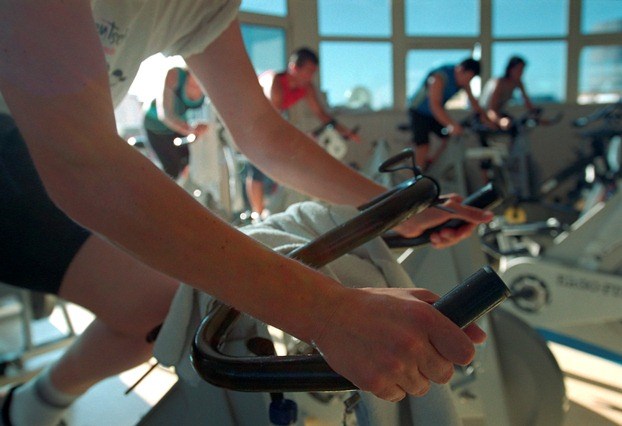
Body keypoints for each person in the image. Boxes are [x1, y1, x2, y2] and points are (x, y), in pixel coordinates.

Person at [0, 2, 493, 425]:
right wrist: (328, 312)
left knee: (160, 308)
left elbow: (262, 132)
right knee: (163, 304)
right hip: (19, 140)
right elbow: (83, 163)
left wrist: (393, 209)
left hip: (41, 144)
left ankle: (27, 407)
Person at [246, 47, 360, 219]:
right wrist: (300, 138)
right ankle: (258, 214)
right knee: (257, 167)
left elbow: (322, 114)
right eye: (308, 71)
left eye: (313, 72)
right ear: (294, 67)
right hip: (251, 119)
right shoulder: (275, 83)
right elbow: (272, 120)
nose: (310, 77)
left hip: (271, 119)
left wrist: (346, 132)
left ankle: (273, 209)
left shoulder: (306, 87)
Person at [407, 58, 491, 169]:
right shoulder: (439, 77)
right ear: (461, 69)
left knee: (450, 137)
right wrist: (451, 124)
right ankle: (417, 174)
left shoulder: (464, 82)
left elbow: (474, 103)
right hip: (418, 112)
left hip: (433, 114)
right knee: (423, 145)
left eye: (471, 79)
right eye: (468, 77)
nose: (467, 82)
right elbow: (434, 105)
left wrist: (486, 119)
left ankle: (431, 166)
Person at [143, 66, 209, 179]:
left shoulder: (210, 83)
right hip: (156, 127)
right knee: (171, 169)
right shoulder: (175, 75)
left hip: (181, 128)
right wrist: (188, 129)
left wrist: (202, 127)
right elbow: (165, 114)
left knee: (187, 163)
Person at [480, 56, 537, 132]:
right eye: (518, 69)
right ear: (510, 69)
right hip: (486, 115)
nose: (521, 73)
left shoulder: (518, 82)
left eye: (522, 70)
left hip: (499, 113)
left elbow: (527, 102)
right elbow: (491, 109)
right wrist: (500, 121)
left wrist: (535, 114)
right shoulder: (499, 83)